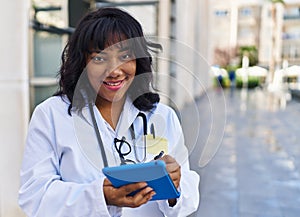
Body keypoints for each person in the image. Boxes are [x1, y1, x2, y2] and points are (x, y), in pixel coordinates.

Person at [18, 7, 199, 217]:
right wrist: (100, 196)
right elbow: (34, 197)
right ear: (81, 62)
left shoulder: (162, 116)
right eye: (99, 58)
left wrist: (176, 186)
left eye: (125, 56)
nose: (114, 71)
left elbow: (188, 199)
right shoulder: (51, 115)